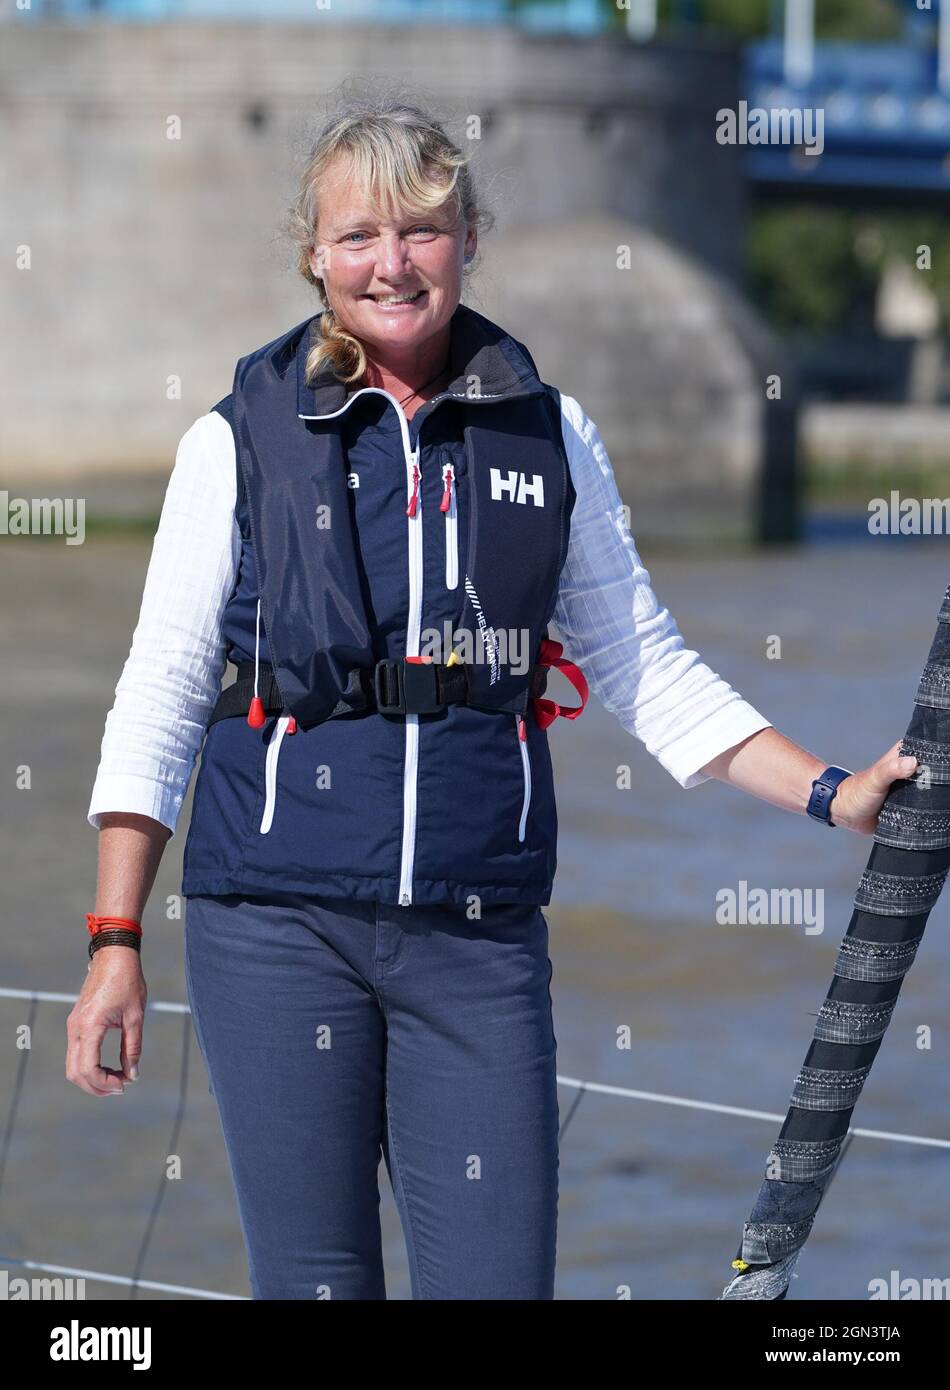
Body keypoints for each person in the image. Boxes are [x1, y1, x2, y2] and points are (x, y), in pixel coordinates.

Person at [70, 93, 916, 1301]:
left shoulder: (550, 433)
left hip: (477, 936)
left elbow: (643, 662)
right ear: (313, 253)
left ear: (469, 236)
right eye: (357, 235)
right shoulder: (234, 443)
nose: (390, 263)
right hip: (273, 926)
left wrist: (831, 793)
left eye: (420, 229)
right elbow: (156, 693)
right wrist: (114, 943)